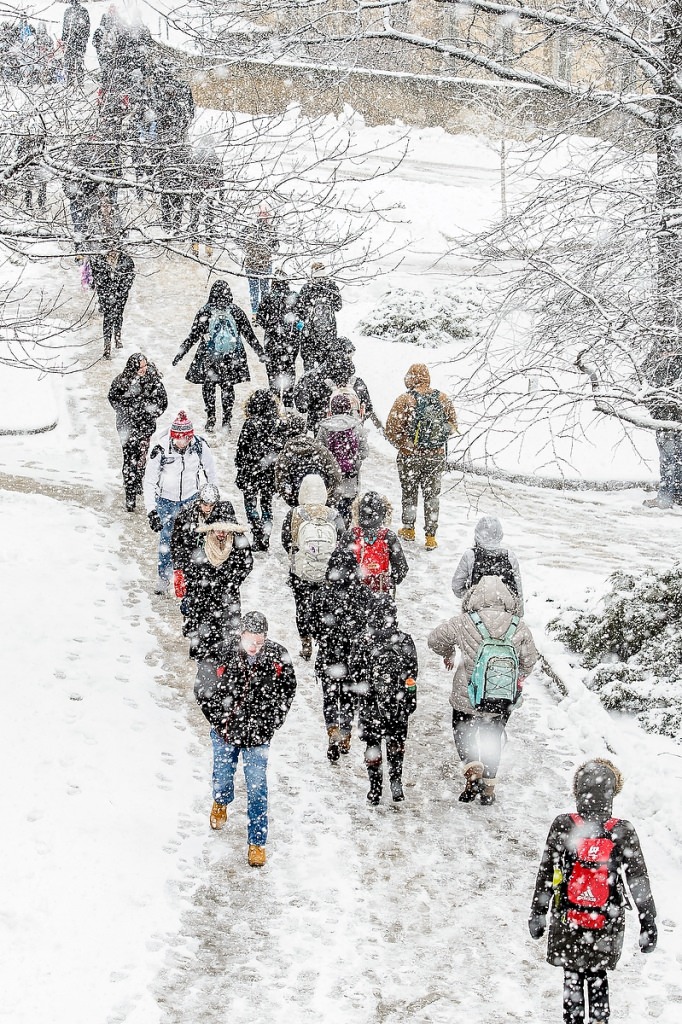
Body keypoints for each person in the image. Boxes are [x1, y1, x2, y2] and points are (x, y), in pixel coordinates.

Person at [529, 759, 657, 1024]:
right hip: (606, 918)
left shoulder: (564, 824)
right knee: (597, 975)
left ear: (578, 791)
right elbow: (638, 879)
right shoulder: (622, 830)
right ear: (612, 793)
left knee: (572, 975)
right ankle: (600, 1020)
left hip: (568, 914)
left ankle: (573, 1020)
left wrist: (538, 912)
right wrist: (648, 922)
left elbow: (546, 871)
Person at [194, 611, 297, 867]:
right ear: (241, 634)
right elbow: (203, 687)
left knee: (257, 788)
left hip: (258, 736)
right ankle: (221, 800)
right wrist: (218, 718)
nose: (254, 646)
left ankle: (257, 843)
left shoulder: (277, 656)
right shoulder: (221, 652)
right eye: (251, 640)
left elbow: (288, 690)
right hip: (226, 732)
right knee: (222, 775)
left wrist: (273, 721)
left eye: (260, 641)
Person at [427, 575, 538, 805]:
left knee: (464, 734)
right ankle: (489, 787)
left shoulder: (464, 621)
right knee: (492, 737)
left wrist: (449, 652)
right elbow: (529, 661)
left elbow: (434, 639)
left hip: (467, 695)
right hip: (501, 697)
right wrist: (516, 677)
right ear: (507, 599)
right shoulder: (519, 626)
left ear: (474, 597)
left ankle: (472, 771)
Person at [349, 595, 418, 804]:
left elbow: (355, 674)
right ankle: (396, 783)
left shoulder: (362, 640)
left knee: (373, 745)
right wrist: (409, 700)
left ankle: (375, 789)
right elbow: (412, 674)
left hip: (371, 704)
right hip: (397, 704)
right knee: (396, 743)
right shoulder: (405, 640)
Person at [172, 280, 265, 433]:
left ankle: (210, 418)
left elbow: (193, 335)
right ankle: (227, 420)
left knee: (209, 387)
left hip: (210, 357)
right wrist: (260, 352)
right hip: (231, 357)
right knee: (227, 388)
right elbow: (250, 335)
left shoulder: (205, 311)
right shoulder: (235, 311)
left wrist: (180, 353)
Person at [310, 549, 376, 761]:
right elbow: (371, 626)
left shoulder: (321, 594)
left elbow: (312, 625)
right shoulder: (365, 595)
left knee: (330, 697)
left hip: (329, 655)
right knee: (348, 698)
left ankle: (332, 730)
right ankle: (345, 733)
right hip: (353, 658)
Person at [385, 363, 458, 550]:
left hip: (411, 457)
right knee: (432, 495)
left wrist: (405, 445)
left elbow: (391, 429)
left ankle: (409, 529)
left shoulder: (404, 400)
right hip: (435, 457)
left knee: (409, 492)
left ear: (411, 378)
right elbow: (452, 426)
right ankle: (431, 536)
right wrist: (435, 440)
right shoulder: (442, 398)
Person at [143, 411, 217, 594]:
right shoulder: (160, 449)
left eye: (185, 439)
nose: (181, 443)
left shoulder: (199, 446)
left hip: (190, 500)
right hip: (166, 501)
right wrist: (151, 510)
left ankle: (189, 576)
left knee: (191, 539)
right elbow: (150, 480)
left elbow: (211, 471)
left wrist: (213, 497)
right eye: (178, 439)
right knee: (166, 539)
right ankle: (164, 577)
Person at [281, 474, 345, 661]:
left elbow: (286, 541)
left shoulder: (295, 514)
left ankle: (306, 644)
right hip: (326, 573)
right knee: (325, 608)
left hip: (301, 572)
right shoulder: (334, 515)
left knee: (302, 608)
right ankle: (323, 641)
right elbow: (342, 542)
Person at [182, 518, 253, 660]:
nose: (222, 533)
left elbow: (247, 564)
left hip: (228, 594)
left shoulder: (238, 540)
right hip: (203, 594)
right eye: (218, 529)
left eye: (225, 529)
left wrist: (233, 581)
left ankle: (223, 658)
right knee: (203, 628)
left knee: (227, 630)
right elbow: (189, 564)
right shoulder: (201, 540)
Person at [107, 353, 167, 512]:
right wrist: (124, 412)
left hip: (144, 427)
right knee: (129, 460)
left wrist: (151, 413)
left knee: (141, 456)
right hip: (126, 427)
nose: (143, 369)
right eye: (140, 367)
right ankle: (130, 495)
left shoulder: (152, 381)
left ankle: (138, 480)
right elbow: (112, 397)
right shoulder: (122, 381)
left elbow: (163, 401)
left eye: (145, 366)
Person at [235, 389, 287, 551]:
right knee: (266, 505)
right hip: (269, 473)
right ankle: (265, 536)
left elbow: (241, 449)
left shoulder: (250, 424)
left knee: (250, 504)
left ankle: (257, 531)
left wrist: (240, 466)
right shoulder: (279, 424)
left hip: (251, 471)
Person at [451, 515, 524, 615]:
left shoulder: (470, 555)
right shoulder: (510, 556)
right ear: (500, 535)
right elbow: (517, 591)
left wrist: (471, 596)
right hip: (505, 614)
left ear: (477, 534)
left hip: (477, 615)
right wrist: (519, 616)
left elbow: (457, 587)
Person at [641, 335, 682, 509]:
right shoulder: (656, 366)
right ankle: (674, 496)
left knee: (671, 461)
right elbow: (647, 390)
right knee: (672, 460)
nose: (667, 351)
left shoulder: (668, 367)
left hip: (671, 421)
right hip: (666, 421)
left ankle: (667, 498)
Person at [341, 492, 408, 596]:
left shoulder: (351, 535)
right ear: (384, 513)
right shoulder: (388, 536)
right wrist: (392, 580)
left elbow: (339, 564)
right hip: (380, 590)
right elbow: (401, 567)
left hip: (354, 590)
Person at [316, 393, 369, 525]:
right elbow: (364, 451)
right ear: (349, 408)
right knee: (346, 511)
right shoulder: (357, 426)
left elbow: (318, 450)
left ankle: (333, 536)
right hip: (350, 480)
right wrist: (354, 462)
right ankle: (344, 536)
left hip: (331, 480)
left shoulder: (325, 427)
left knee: (331, 514)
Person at [293, 353, 375, 436]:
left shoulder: (313, 380)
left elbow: (301, 407)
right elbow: (368, 408)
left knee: (323, 446)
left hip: (324, 433)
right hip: (353, 435)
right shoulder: (357, 383)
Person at [274, 414, 342, 507]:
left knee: (290, 520)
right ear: (305, 430)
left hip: (297, 496)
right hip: (320, 494)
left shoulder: (285, 453)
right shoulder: (319, 449)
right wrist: (329, 498)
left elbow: (281, 481)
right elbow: (335, 474)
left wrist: (293, 502)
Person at [255, 270, 299, 407]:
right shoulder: (294, 296)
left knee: (273, 372)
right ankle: (288, 400)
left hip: (272, 341)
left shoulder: (268, 296)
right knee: (289, 369)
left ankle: (274, 400)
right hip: (291, 340)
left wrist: (270, 326)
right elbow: (302, 317)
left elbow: (259, 318)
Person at [171, 483, 226, 580]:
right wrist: (178, 569)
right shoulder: (186, 514)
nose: (208, 509)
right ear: (199, 501)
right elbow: (177, 541)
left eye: (211, 505)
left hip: (213, 564)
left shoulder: (222, 515)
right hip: (191, 562)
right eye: (205, 504)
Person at [294, 262, 342, 370]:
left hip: (309, 332)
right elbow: (338, 306)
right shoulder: (331, 287)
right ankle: (323, 383)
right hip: (328, 332)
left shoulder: (307, 287)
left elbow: (299, 309)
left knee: (309, 362)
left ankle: (309, 382)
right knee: (326, 363)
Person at [90, 248, 135, 359]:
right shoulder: (100, 259)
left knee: (119, 315)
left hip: (121, 294)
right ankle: (107, 345)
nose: (113, 253)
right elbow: (96, 276)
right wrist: (105, 290)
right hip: (106, 294)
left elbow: (130, 276)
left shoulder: (126, 259)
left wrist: (122, 290)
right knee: (108, 318)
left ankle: (117, 336)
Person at [241, 207, 279, 318]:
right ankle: (260, 313)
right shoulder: (270, 230)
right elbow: (276, 247)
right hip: (262, 265)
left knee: (256, 291)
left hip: (254, 264)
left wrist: (248, 249)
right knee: (263, 291)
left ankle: (256, 313)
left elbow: (239, 239)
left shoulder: (250, 228)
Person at [61, 0, 89, 87]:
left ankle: (80, 81)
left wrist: (84, 38)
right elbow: (65, 27)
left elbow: (87, 26)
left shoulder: (83, 11)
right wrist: (64, 39)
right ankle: (70, 81)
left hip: (79, 41)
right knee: (70, 62)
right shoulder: (68, 11)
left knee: (79, 62)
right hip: (71, 41)